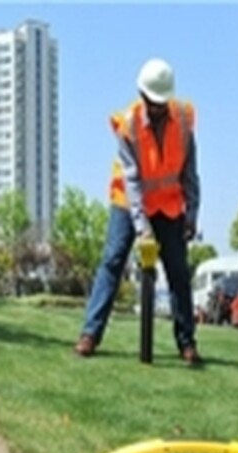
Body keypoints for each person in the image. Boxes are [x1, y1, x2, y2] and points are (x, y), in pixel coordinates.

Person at [74, 58, 202, 366]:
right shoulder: (128, 124)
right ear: (141, 95)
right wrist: (142, 227)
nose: (156, 109)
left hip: (169, 202)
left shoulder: (183, 121)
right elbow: (131, 180)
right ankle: (90, 334)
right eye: (151, 102)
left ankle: (187, 343)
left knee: (178, 271)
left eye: (161, 103)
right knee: (113, 260)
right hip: (128, 201)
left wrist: (192, 213)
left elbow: (190, 173)